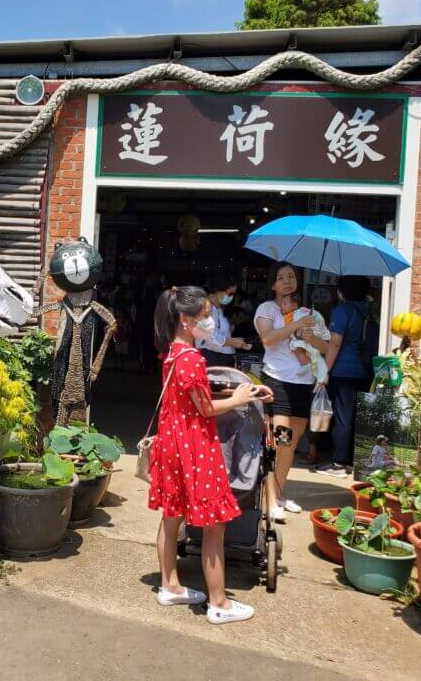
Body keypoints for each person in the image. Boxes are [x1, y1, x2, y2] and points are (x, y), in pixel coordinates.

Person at [149, 286, 273, 625]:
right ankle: (219, 603)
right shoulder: (192, 358)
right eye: (205, 316)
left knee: (171, 514)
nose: (210, 321)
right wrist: (243, 397)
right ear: (187, 321)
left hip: (172, 441)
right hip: (194, 445)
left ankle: (169, 585)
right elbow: (205, 408)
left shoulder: (173, 353)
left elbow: (191, 396)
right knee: (214, 527)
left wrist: (238, 392)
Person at [254, 262, 328, 522]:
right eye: (281, 277)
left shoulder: (309, 312)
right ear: (272, 284)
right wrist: (294, 327)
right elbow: (267, 339)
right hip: (278, 383)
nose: (287, 281)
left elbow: (325, 347)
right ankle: (270, 499)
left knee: (292, 444)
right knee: (280, 441)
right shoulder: (267, 309)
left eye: (291, 277)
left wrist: (309, 336)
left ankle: (278, 494)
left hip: (303, 384)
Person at [320, 275, 373, 477]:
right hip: (365, 369)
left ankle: (339, 464)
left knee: (343, 417)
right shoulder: (368, 311)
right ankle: (351, 460)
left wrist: (324, 370)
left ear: (342, 291)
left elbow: (334, 343)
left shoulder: (342, 311)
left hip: (343, 370)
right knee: (356, 417)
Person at [197, 272, 253, 368]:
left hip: (221, 358)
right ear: (217, 290)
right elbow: (210, 337)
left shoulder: (219, 308)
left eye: (233, 294)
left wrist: (234, 341)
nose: (231, 297)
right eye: (229, 293)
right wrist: (232, 342)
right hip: (212, 359)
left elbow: (220, 334)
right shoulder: (206, 308)